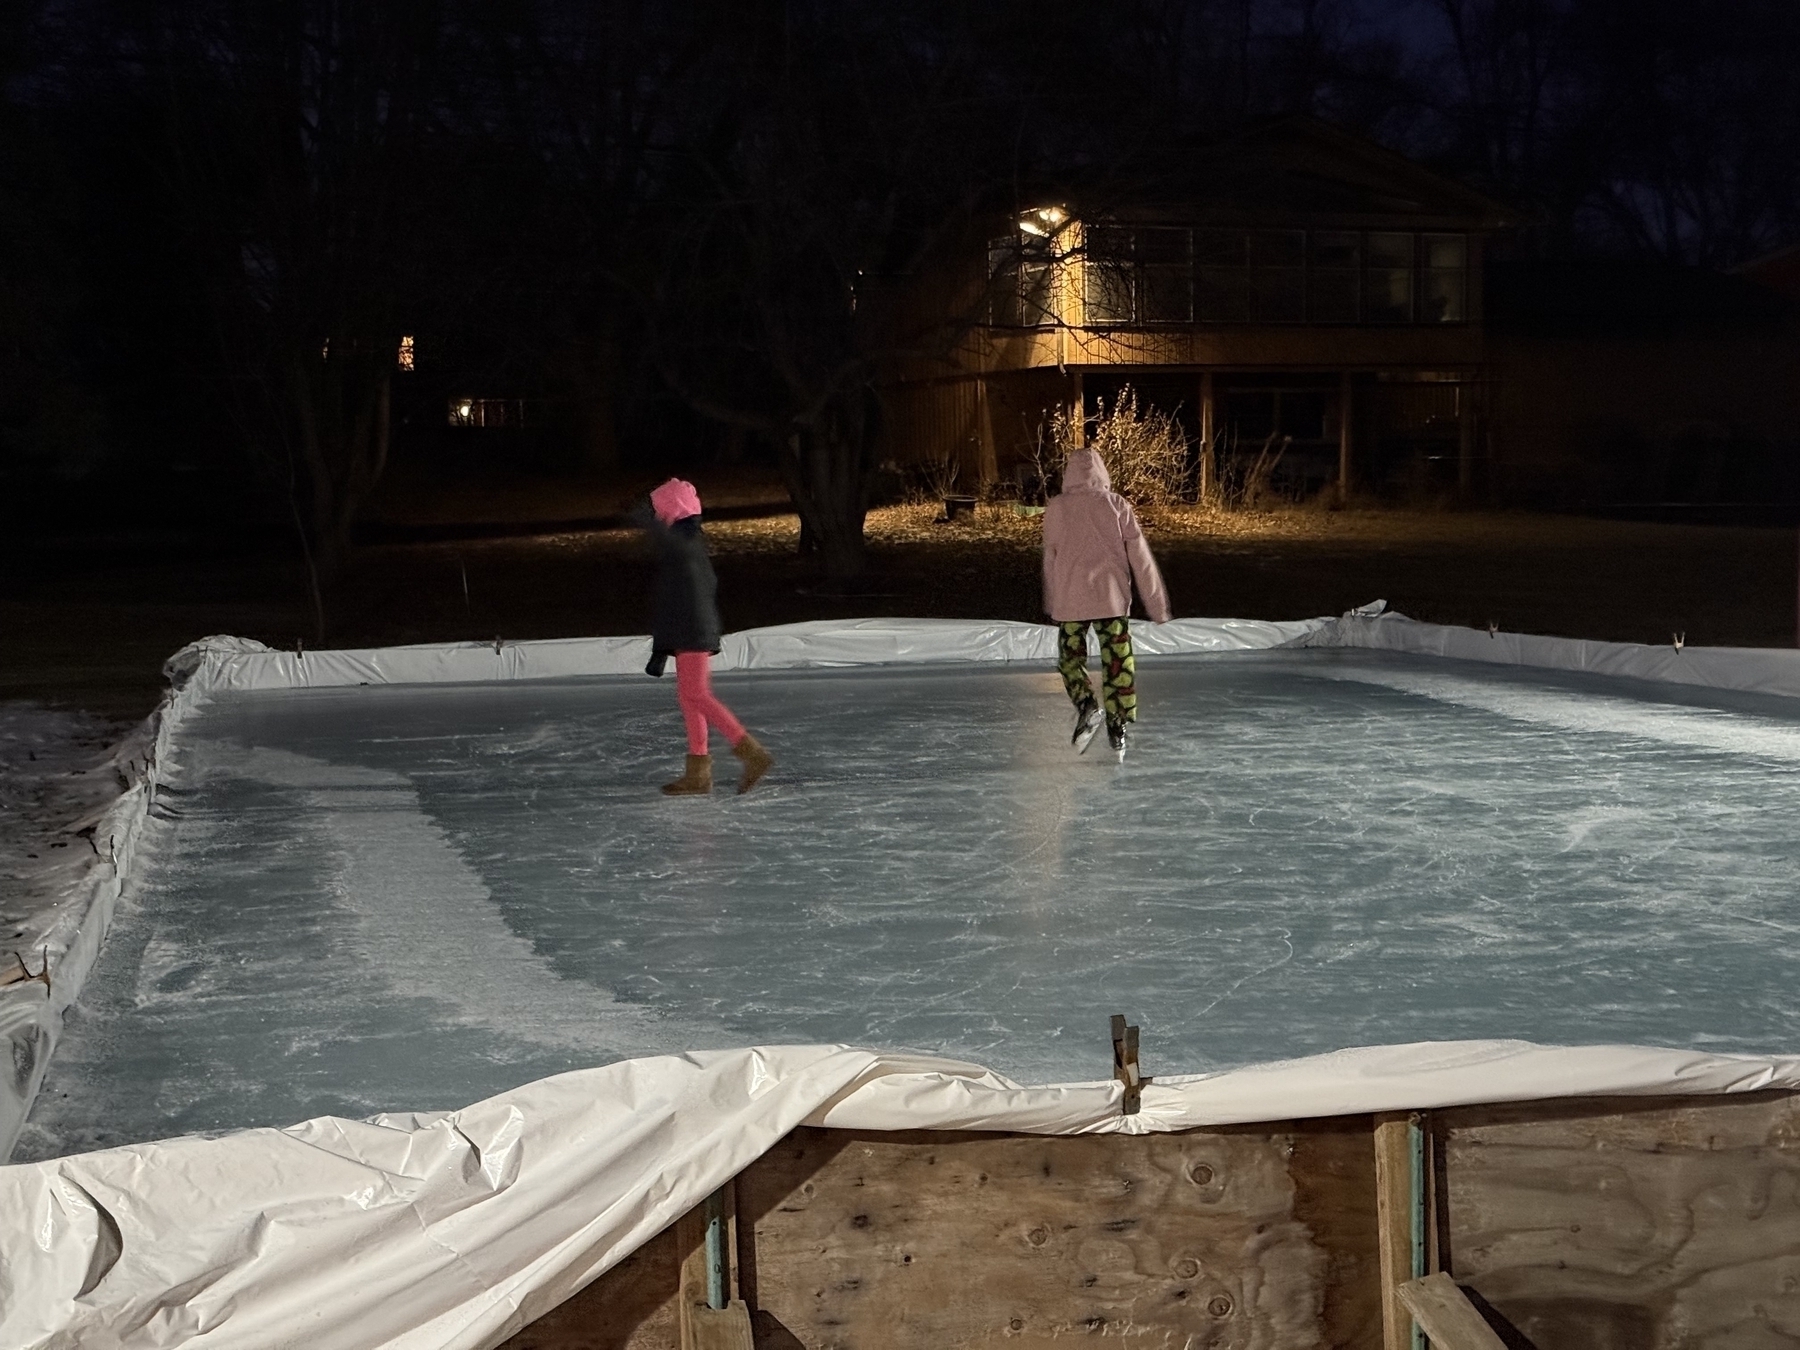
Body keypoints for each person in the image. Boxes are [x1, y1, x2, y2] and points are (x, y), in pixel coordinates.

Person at [635, 477, 774, 795]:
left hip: (694, 630)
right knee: (689, 696)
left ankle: (752, 753)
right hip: (691, 628)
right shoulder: (688, 541)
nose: (655, 516)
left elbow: (662, 541)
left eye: (658, 509)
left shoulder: (683, 542)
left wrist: (642, 518)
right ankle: (698, 774)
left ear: (671, 510)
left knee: (697, 694)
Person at [1040, 447, 1172, 761]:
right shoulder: (1117, 505)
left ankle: (1086, 703)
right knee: (1118, 663)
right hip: (1112, 601)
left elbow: (1050, 558)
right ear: (1102, 473)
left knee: (1070, 659)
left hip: (1072, 599)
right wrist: (1156, 605)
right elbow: (1141, 559)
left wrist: (1053, 601)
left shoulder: (1056, 507)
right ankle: (1118, 723)